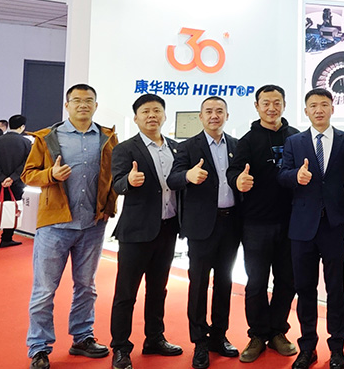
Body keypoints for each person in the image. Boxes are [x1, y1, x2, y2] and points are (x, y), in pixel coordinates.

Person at [21, 84, 119, 369]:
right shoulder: (48, 137)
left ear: (96, 105)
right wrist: (51, 174)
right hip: (55, 224)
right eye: (77, 100)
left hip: (92, 224)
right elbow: (28, 174)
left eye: (88, 100)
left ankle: (82, 337)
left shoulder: (107, 137)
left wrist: (109, 208)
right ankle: (39, 347)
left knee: (87, 287)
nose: (83, 105)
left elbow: (112, 176)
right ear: (67, 105)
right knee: (44, 290)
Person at [277, 88, 344, 369]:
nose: (319, 110)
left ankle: (337, 348)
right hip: (302, 227)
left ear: (332, 108)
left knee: (336, 289)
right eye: (313, 105)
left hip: (335, 226)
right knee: (305, 289)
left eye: (324, 105)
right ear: (306, 111)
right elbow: (282, 175)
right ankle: (307, 347)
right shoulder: (294, 142)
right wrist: (296, 176)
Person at [109, 94, 183, 369]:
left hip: (168, 228)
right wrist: (129, 181)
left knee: (158, 290)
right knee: (126, 293)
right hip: (136, 231)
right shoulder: (126, 148)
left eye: (156, 111)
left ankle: (154, 338)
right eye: (145, 111)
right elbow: (116, 184)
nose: (152, 115)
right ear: (136, 118)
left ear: (164, 115)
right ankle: (120, 347)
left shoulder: (176, 148)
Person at [227, 85, 300, 362]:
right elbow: (234, 171)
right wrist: (238, 180)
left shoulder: (296, 137)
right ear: (257, 106)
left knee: (287, 281)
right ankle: (257, 334)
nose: (271, 108)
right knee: (256, 282)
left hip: (291, 223)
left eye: (277, 102)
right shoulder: (246, 141)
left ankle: (278, 331)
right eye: (266, 103)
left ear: (284, 105)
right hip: (256, 223)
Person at [167, 96, 240, 369]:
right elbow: (173, 179)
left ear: (227, 116)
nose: (214, 115)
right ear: (200, 116)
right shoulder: (187, 147)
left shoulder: (236, 145)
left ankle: (219, 336)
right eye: (209, 111)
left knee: (225, 282)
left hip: (231, 225)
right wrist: (188, 176)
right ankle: (199, 341)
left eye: (219, 111)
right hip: (201, 227)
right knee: (198, 284)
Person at [0, 114, 32, 248]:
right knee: (13, 210)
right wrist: (12, 178)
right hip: (16, 183)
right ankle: (6, 238)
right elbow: (26, 163)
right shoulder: (27, 143)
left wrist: (2, 178)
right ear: (22, 127)